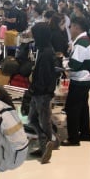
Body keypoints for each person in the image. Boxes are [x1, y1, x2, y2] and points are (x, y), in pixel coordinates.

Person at [27, 22, 56, 163]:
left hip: (42, 93)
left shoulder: (45, 53)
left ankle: (46, 147)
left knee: (44, 121)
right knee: (33, 118)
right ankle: (45, 142)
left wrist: (34, 89)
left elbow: (44, 77)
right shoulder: (45, 49)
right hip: (39, 92)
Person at [62, 17, 90, 146]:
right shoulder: (83, 40)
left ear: (76, 27)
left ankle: (73, 138)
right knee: (83, 108)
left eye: (71, 27)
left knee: (72, 108)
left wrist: (64, 63)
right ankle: (85, 134)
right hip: (85, 78)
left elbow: (74, 64)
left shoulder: (81, 43)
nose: (70, 29)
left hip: (80, 79)